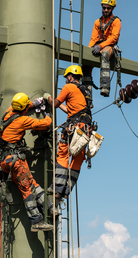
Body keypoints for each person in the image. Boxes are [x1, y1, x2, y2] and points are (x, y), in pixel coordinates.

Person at [0, 92, 55, 232]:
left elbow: (23, 106)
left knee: (32, 183)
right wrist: (48, 116)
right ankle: (36, 221)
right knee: (27, 190)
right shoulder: (22, 121)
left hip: (5, 161)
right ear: (23, 108)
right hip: (15, 161)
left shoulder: (8, 112)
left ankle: (50, 208)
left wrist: (34, 104)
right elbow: (43, 124)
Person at [44, 65, 92, 204]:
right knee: (78, 159)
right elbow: (73, 110)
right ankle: (66, 191)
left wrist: (48, 97)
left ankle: (57, 190)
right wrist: (60, 105)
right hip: (85, 130)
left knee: (63, 154)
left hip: (74, 128)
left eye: (66, 77)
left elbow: (54, 104)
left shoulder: (68, 88)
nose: (66, 79)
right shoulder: (85, 91)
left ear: (70, 76)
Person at [87, 0, 121, 97]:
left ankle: (105, 87)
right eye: (104, 7)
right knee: (86, 63)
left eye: (108, 8)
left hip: (109, 46)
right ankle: (87, 94)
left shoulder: (116, 21)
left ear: (112, 8)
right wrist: (88, 51)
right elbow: (93, 38)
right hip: (98, 45)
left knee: (105, 54)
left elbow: (113, 38)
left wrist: (101, 46)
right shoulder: (97, 22)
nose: (106, 10)